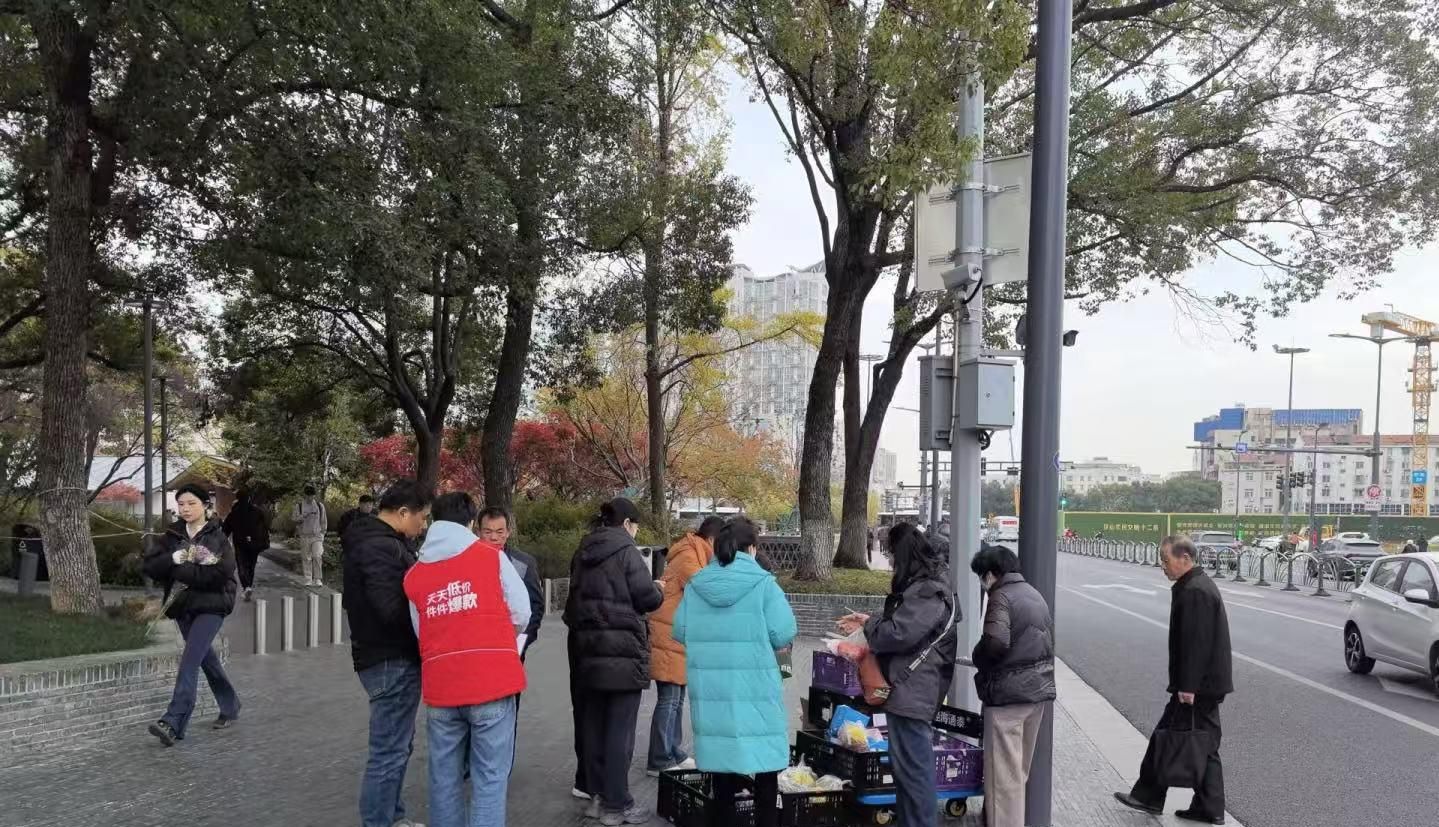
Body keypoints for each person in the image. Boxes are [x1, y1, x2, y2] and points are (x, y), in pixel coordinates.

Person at [405, 492, 530, 827]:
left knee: (444, 780)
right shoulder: (490, 557)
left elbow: (421, 631)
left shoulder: (414, 574)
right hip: (492, 683)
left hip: (441, 688)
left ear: (434, 521)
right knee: (489, 780)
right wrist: (496, 635)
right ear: (471, 522)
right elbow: (522, 612)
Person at [673, 517, 797, 827]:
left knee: (722, 775)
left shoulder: (697, 585)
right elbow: (783, 633)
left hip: (712, 691)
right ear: (752, 548)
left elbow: (680, 631)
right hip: (756, 689)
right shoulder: (764, 585)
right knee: (766, 772)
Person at [839, 522, 959, 827]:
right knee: (906, 771)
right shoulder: (927, 587)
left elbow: (898, 634)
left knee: (914, 772)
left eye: (892, 554)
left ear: (903, 553)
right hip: (911, 690)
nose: (890, 561)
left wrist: (872, 625)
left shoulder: (929, 591)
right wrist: (871, 620)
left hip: (914, 691)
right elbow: (905, 628)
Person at [1114, 536, 1233, 825]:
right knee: (1203, 744)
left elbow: (1196, 643)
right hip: (1206, 684)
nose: (1163, 567)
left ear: (1185, 558)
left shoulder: (1195, 591)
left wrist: (1188, 686)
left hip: (1198, 686)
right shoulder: (1195, 585)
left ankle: (1150, 796)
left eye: (1166, 560)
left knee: (1166, 737)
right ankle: (1208, 806)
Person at [563, 497, 663, 826]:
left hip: (586, 652)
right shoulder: (626, 551)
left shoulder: (583, 550)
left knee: (592, 727)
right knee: (620, 731)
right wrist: (658, 588)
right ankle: (617, 805)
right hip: (621, 653)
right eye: (636, 526)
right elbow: (646, 598)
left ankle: (595, 798)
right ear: (627, 524)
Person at [343, 479, 433, 827]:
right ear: (404, 512)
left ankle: (393, 817)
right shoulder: (380, 547)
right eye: (422, 517)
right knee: (389, 751)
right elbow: (390, 609)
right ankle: (379, 821)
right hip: (390, 658)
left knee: (398, 747)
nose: (423, 525)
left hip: (383, 657)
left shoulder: (372, 541)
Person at [141, 483, 241, 746]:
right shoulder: (172, 535)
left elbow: (219, 575)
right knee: (205, 659)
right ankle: (231, 705)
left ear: (205, 505)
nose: (185, 509)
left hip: (212, 605)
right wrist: (172, 559)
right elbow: (150, 567)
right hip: (183, 606)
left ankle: (173, 721)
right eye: (181, 504)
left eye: (191, 503)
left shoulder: (218, 536)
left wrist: (178, 570)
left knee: (189, 660)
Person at [969, 545, 1056, 827]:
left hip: (1008, 697)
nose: (982, 583)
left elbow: (995, 642)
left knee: (1003, 781)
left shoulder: (1001, 596)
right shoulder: (1034, 594)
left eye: (982, 576)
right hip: (1035, 694)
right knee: (1017, 774)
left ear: (991, 573)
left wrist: (977, 656)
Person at [645, 515, 723, 776]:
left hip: (677, 634)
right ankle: (659, 759)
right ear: (711, 539)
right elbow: (705, 588)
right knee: (669, 700)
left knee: (676, 699)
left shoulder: (696, 553)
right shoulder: (689, 555)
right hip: (668, 634)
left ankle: (672, 751)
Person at [478, 506, 543, 657]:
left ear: (508, 532)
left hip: (513, 645)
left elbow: (535, 606)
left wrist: (522, 641)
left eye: (500, 532)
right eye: (488, 532)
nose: (494, 537)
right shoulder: (467, 562)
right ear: (478, 532)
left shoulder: (523, 563)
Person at [222, 490, 271, 602]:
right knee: (251, 566)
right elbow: (265, 527)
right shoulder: (257, 511)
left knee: (242, 565)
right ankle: (249, 585)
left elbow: (225, 529)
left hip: (240, 544)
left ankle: (246, 586)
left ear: (237, 498)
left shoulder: (234, 513)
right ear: (248, 498)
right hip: (254, 543)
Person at [293, 484, 329, 587]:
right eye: (308, 495)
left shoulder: (319, 506)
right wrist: (302, 516)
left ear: (314, 495)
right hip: (305, 535)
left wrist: (323, 533)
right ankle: (308, 579)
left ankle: (317, 579)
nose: (310, 497)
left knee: (317, 556)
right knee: (306, 558)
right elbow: (294, 519)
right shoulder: (299, 506)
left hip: (317, 536)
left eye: (312, 495)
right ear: (305, 495)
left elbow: (324, 521)